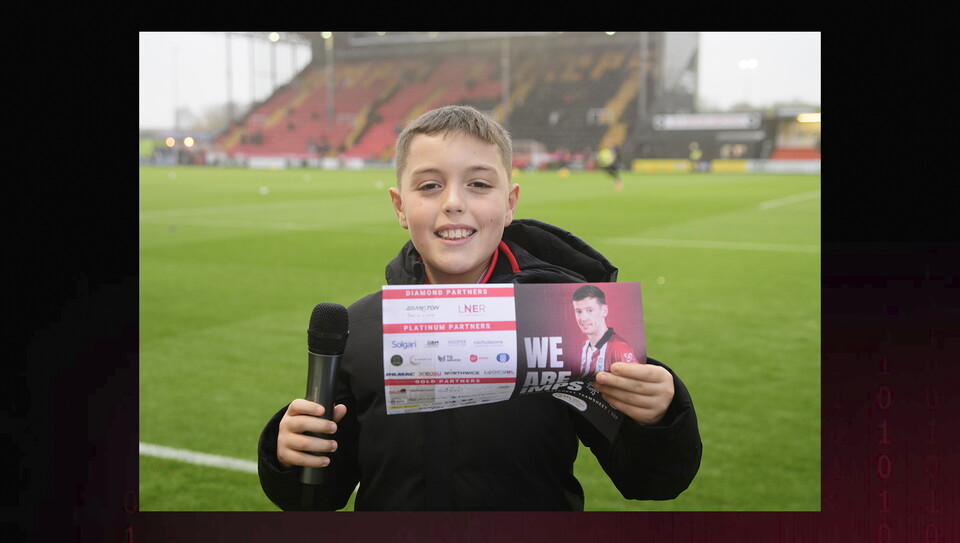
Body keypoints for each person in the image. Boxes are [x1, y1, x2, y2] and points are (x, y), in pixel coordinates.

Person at [258, 105, 701, 511]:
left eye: (480, 184)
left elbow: (651, 480)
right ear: (399, 206)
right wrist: (291, 452)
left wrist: (660, 416)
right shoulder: (361, 329)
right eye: (430, 186)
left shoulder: (567, 319)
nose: (453, 202)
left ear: (510, 204)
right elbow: (314, 496)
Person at [571, 284, 638, 378]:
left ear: (604, 311)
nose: (583, 318)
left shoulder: (619, 348)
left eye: (589, 310)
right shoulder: (584, 345)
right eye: (578, 311)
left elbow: (636, 384)